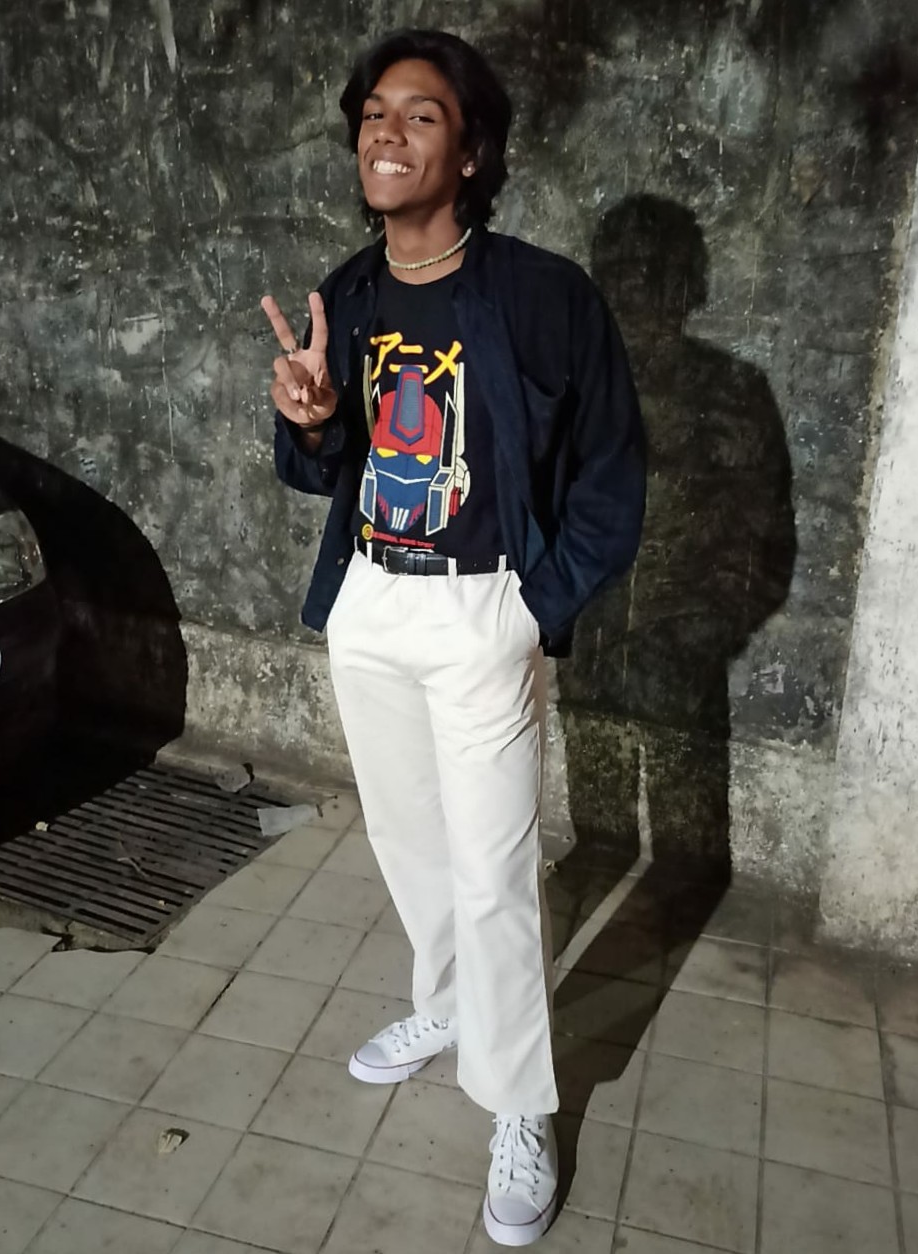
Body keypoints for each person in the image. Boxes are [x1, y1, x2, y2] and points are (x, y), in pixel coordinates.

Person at [262, 28, 644, 1246]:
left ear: (472, 153)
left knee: (493, 878)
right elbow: (323, 463)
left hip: (485, 608)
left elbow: (612, 473)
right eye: (374, 113)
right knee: (412, 844)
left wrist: (538, 605)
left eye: (420, 115)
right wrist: (311, 419)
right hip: (373, 600)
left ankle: (519, 1102)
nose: (386, 132)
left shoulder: (544, 296)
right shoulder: (348, 293)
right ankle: (444, 1008)